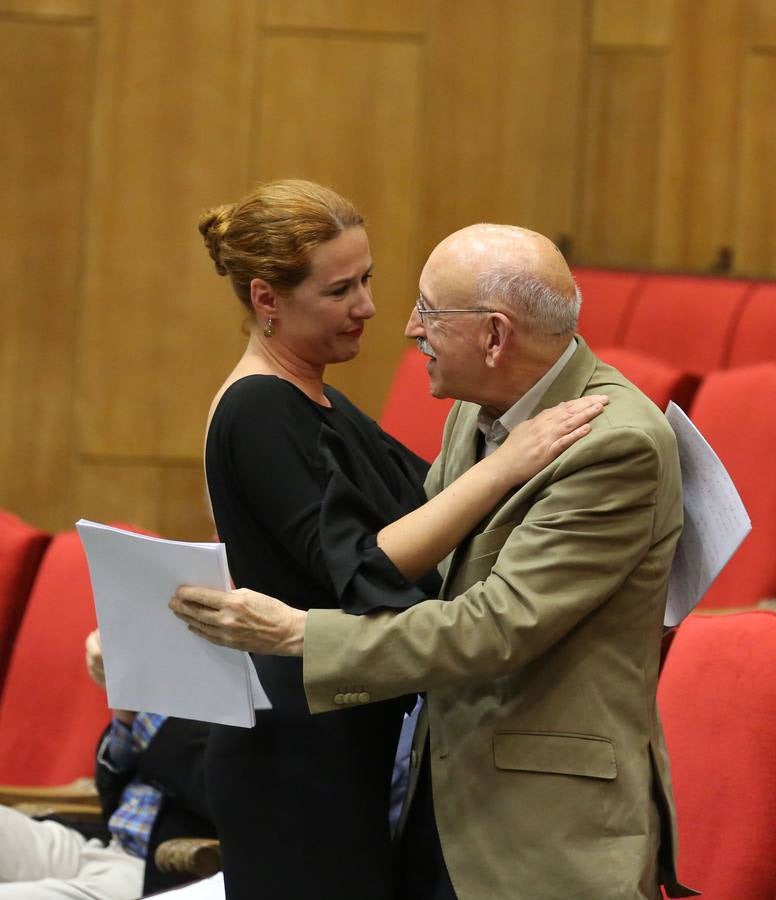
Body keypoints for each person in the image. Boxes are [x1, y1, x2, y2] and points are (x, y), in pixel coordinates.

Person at [171, 223, 698, 900]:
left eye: (429, 312)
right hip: (439, 792)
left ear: (494, 336)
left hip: (540, 830)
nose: (408, 328)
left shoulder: (612, 443)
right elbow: (414, 570)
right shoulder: (475, 406)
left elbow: (495, 626)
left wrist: (300, 634)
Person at [0, 631, 215, 900]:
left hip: (157, 871)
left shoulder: (261, 673)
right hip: (100, 843)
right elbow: (113, 794)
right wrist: (126, 706)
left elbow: (227, 790)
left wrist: (146, 697)